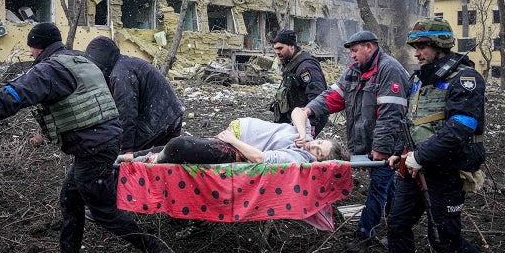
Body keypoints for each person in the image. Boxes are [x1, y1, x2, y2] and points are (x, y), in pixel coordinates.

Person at [0, 23, 172, 253]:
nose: (30, 54)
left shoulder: (50, 71)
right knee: (70, 198)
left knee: (104, 212)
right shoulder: (78, 60)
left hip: (94, 147)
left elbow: (9, 97)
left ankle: (156, 251)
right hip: (102, 140)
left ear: (39, 48)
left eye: (31, 49)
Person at [386, 18, 491, 253]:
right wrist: (397, 151)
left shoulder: (466, 79)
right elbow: (411, 121)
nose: (417, 52)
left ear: (440, 45)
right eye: (415, 46)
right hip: (413, 168)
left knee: (445, 242)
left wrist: (419, 157)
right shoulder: (419, 79)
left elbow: (460, 129)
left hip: (446, 171)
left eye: (423, 46)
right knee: (397, 225)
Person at [302, 30, 410, 253]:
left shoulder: (389, 70)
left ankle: (364, 233)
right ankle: (397, 229)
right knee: (388, 186)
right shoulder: (353, 72)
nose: (351, 56)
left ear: (369, 47)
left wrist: (380, 148)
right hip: (367, 144)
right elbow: (333, 97)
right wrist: (310, 109)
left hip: (389, 145)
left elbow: (391, 114)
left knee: (379, 187)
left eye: (355, 51)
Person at [128, 108, 345, 164]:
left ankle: (142, 162)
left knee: (179, 145)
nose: (312, 147)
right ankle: (131, 157)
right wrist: (300, 132)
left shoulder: (298, 158)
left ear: (319, 162)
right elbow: (299, 111)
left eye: (318, 152)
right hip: (234, 135)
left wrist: (232, 140)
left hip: (235, 148)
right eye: (318, 142)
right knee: (179, 145)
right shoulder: (304, 137)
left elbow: (260, 158)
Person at [85, 36, 185, 154]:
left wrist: (126, 149)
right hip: (172, 114)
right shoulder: (125, 64)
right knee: (162, 161)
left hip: (159, 120)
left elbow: (126, 114)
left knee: (122, 157)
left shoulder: (120, 75)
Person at [270, 29, 328, 137]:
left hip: (308, 118)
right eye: (275, 49)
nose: (277, 52)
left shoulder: (306, 66)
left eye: (280, 48)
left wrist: (312, 121)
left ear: (292, 46)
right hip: (297, 117)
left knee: (301, 148)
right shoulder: (291, 64)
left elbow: (317, 94)